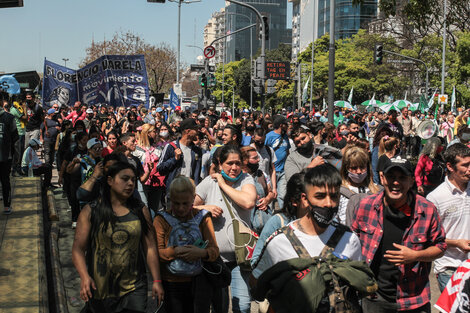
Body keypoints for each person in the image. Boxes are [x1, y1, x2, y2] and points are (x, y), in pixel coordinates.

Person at [250, 164, 363, 296]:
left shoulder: (349, 239)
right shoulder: (280, 241)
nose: (328, 203)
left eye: (334, 196)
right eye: (320, 196)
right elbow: (256, 281)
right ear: (304, 199)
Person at [352, 156, 447, 313]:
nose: (396, 182)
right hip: (373, 297)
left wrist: (416, 256)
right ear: (382, 178)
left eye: (402, 178)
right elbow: (351, 242)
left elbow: (441, 246)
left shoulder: (427, 210)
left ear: (411, 181)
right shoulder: (366, 206)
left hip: (413, 299)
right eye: (391, 177)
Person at [72, 162, 164, 312]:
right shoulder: (91, 211)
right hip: (101, 289)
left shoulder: (140, 210)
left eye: (133, 180)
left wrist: (157, 280)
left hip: (135, 288)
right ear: (110, 181)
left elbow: (150, 247)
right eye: (125, 179)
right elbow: (78, 249)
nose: (130, 184)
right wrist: (84, 277)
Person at [194, 145, 256, 313]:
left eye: (238, 163)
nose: (234, 167)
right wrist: (205, 207)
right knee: (219, 307)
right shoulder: (209, 182)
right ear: (220, 164)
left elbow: (248, 202)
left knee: (242, 307)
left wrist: (223, 183)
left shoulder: (246, 179)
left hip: (240, 257)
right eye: (229, 163)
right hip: (214, 259)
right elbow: (187, 207)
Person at [154, 176, 219, 313]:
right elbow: (156, 253)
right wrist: (176, 251)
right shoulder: (161, 220)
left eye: (185, 203)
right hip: (170, 283)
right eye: (176, 203)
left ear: (193, 198)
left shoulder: (202, 218)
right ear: (170, 198)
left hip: (198, 284)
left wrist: (201, 253)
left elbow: (214, 250)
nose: (181, 208)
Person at [427, 143, 470, 291]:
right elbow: (430, 237)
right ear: (450, 167)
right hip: (449, 267)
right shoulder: (436, 197)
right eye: (465, 165)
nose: (469, 169)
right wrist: (457, 243)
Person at [251, 171, 309, 265]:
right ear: (294, 201)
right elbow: (256, 260)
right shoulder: (278, 223)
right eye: (317, 197)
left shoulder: (325, 223)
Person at [157, 118, 203, 194]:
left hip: (189, 193)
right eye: (195, 129)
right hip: (173, 193)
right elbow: (160, 169)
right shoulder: (170, 147)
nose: (198, 132)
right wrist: (174, 159)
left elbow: (197, 174)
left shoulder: (197, 151)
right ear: (188, 131)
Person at [338, 146, 379, 225]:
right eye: (354, 168)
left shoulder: (377, 190)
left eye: (362, 167)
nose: (359, 171)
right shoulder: (340, 192)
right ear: (346, 168)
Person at [241, 146, 275, 234]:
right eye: (254, 158)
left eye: (258, 157)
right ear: (245, 161)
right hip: (247, 223)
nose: (258, 160)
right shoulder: (238, 178)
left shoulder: (262, 174)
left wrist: (267, 200)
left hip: (264, 220)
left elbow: (271, 193)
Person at [265, 115, 290, 209]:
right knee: (271, 196)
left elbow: (287, 151)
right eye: (285, 123)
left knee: (282, 195)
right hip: (271, 172)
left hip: (283, 171)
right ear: (281, 125)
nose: (287, 125)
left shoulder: (285, 136)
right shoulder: (269, 136)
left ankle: (284, 215)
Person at [0, 105, 19, 214]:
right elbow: (15, 138)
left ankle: (7, 206)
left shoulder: (10, 117)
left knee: (5, 181)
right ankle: (7, 207)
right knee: (5, 180)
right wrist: (16, 156)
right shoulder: (9, 117)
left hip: (6, 155)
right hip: (6, 156)